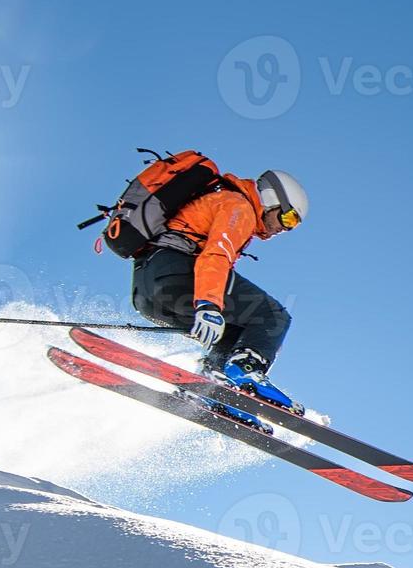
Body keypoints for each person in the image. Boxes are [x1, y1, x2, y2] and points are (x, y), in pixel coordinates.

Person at [131, 168, 309, 410]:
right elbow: (216, 257)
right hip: (177, 276)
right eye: (287, 219)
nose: (284, 229)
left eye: (292, 227)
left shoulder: (227, 202)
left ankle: (212, 384)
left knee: (237, 328)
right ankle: (247, 372)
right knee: (273, 316)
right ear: (271, 199)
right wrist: (209, 305)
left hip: (147, 292)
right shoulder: (239, 206)